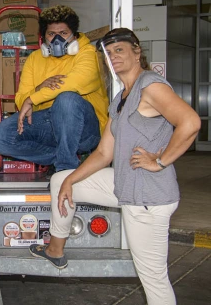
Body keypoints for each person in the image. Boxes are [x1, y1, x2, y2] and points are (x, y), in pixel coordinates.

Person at [29, 28, 200, 305]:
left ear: (137, 52)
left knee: (153, 278)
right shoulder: (121, 99)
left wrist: (159, 161)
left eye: (119, 50)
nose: (113, 57)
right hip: (125, 184)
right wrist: (72, 181)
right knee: (61, 180)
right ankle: (55, 249)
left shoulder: (150, 86)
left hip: (147, 198)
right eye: (108, 53)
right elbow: (102, 153)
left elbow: (190, 122)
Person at [0, 5, 109, 172]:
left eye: (64, 33)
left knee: (66, 99)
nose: (57, 39)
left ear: (74, 35)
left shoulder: (88, 54)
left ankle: (65, 170)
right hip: (49, 124)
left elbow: (74, 83)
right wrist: (38, 89)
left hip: (85, 130)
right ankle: (62, 156)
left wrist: (33, 98)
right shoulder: (35, 59)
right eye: (51, 34)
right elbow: (21, 98)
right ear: (44, 36)